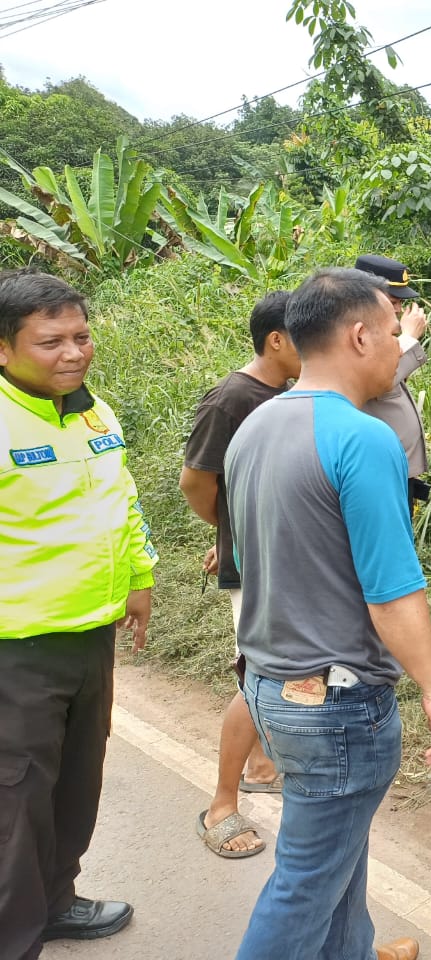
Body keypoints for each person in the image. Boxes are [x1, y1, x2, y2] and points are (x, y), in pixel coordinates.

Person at [225, 268, 431, 960]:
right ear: (360, 335)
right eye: (393, 332)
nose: (399, 345)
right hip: (337, 701)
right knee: (305, 878)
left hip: (270, 686)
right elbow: (391, 592)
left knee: (335, 852)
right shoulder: (363, 440)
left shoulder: (257, 424)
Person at [0, 269, 157, 956]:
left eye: (81, 336)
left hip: (91, 637)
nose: (73, 353)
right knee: (16, 804)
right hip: (17, 652)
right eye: (50, 342)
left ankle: (56, 900)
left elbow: (122, 502)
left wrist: (141, 578)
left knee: (75, 784)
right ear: (3, 349)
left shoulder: (95, 413)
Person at [179, 291, 301, 859]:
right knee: (255, 678)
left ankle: (260, 763)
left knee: (273, 670)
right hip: (254, 564)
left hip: (282, 560)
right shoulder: (233, 398)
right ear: (276, 340)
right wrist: (230, 534)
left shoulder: (288, 392)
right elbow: (197, 483)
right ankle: (221, 805)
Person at [354, 254, 431, 511]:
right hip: (378, 471)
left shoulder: (381, 335)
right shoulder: (356, 336)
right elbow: (378, 378)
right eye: (393, 302)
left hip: (395, 469)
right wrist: (409, 336)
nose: (398, 310)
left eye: (400, 303)